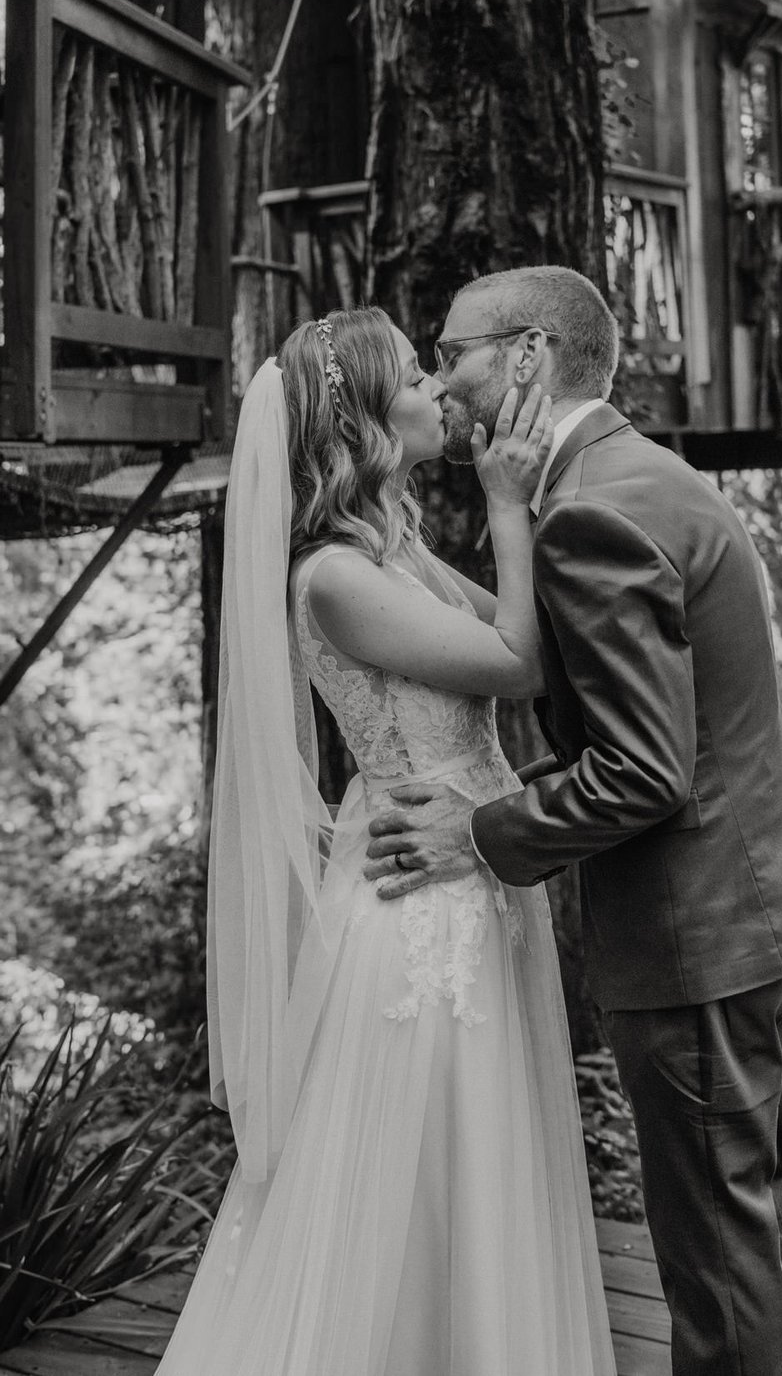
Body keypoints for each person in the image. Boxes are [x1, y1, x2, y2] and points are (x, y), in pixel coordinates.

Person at [365, 266, 782, 1376]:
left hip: (699, 937)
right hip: (757, 905)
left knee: (718, 1277)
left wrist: (474, 834)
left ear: (527, 355)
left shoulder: (592, 511)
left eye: (455, 354)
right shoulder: (640, 473)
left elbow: (641, 773)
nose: (442, 380)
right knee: (738, 1242)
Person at [155, 306, 616, 1376]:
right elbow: (518, 663)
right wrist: (505, 502)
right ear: (366, 414)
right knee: (403, 1172)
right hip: (419, 911)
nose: (436, 391)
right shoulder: (334, 577)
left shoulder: (393, 548)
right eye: (415, 375)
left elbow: (520, 617)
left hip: (471, 874)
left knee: (474, 1171)